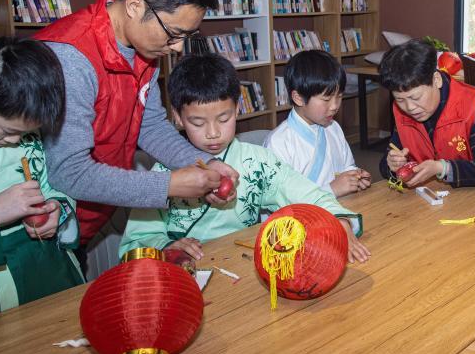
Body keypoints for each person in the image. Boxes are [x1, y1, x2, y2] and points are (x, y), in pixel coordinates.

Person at [36, 0, 238, 263]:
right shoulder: (70, 59)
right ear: (134, 5)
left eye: (187, 35)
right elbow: (69, 173)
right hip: (42, 225)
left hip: (87, 216)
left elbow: (151, 125)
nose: (178, 47)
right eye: (174, 33)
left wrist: (203, 163)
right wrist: (170, 185)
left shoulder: (146, 45)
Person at [119, 54, 370, 263]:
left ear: (238, 109)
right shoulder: (163, 172)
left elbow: (305, 193)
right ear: (177, 117)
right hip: (184, 274)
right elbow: (137, 240)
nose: (213, 132)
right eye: (197, 122)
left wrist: (339, 220)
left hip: (243, 262)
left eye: (224, 118)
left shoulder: (258, 162)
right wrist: (167, 246)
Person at [0, 38, 83, 326]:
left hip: (46, 274)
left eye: (26, 132)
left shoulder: (25, 131)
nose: (16, 141)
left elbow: (56, 186)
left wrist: (57, 211)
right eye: (7, 130)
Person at [378, 39, 475, 187]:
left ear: (436, 80)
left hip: (471, 200)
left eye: (416, 97)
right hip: (428, 199)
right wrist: (392, 165)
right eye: (399, 99)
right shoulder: (401, 110)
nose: (409, 107)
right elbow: (388, 159)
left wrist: (442, 168)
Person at [265, 50, 370, 197]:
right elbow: (278, 200)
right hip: (297, 218)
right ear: (299, 98)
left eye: (339, 96)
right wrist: (331, 190)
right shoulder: (278, 142)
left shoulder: (333, 127)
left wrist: (355, 176)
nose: (334, 106)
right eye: (326, 99)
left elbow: (346, 166)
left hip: (338, 207)